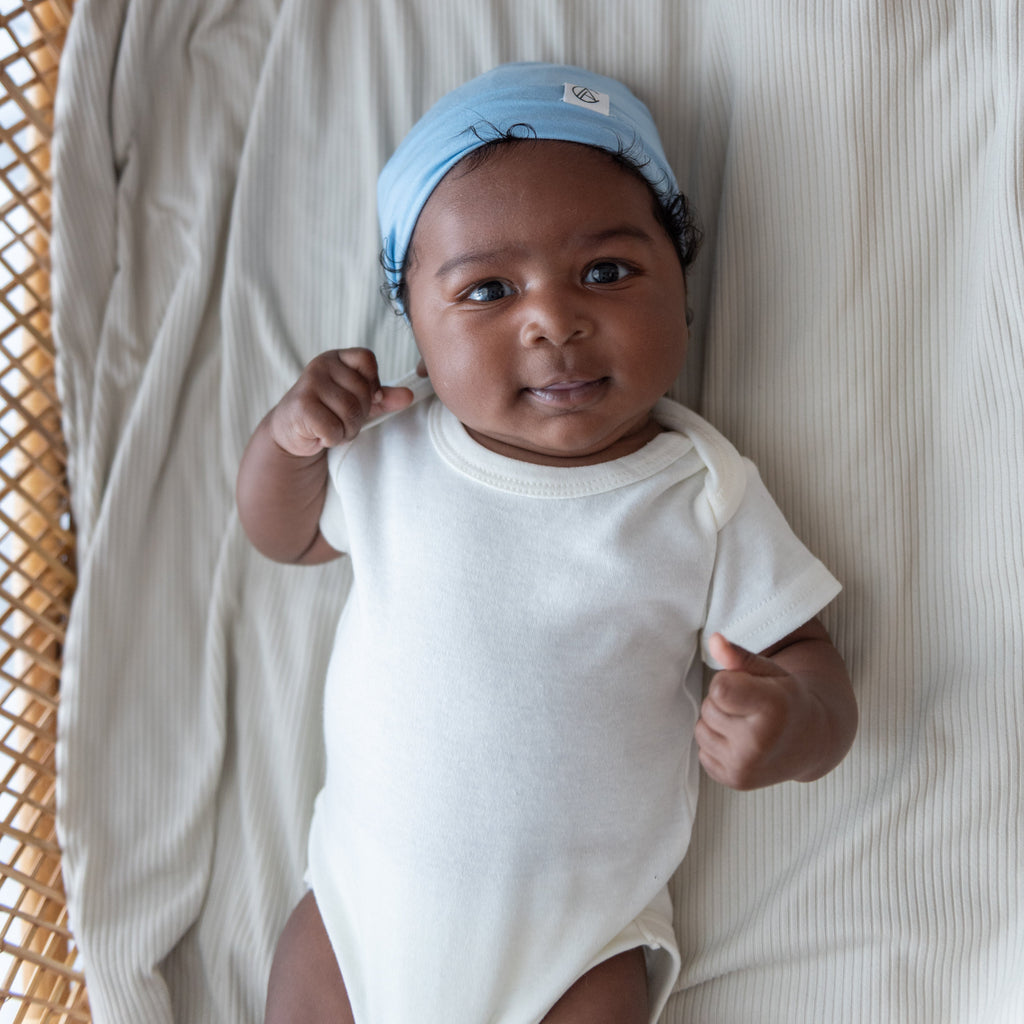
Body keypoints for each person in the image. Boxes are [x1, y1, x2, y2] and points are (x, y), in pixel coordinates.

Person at [236, 62, 858, 1024]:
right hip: (360, 913)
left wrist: (795, 721)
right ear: (419, 333)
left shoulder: (699, 492)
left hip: (578, 945)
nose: (554, 320)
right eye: (488, 289)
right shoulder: (392, 450)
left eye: (606, 272)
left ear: (682, 295)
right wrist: (288, 440)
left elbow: (808, 658)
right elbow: (284, 538)